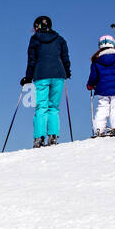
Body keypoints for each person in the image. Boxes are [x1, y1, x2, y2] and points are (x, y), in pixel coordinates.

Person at [21, 15, 71, 147]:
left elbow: (31, 60)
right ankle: (53, 136)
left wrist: (28, 77)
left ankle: (39, 137)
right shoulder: (60, 39)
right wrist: (67, 72)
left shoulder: (35, 40)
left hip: (41, 74)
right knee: (53, 107)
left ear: (38, 26)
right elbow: (65, 57)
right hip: (58, 75)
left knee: (41, 107)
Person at [86, 34, 115, 136]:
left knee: (102, 108)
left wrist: (90, 85)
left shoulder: (96, 61)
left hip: (102, 90)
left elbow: (93, 77)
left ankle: (99, 129)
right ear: (113, 45)